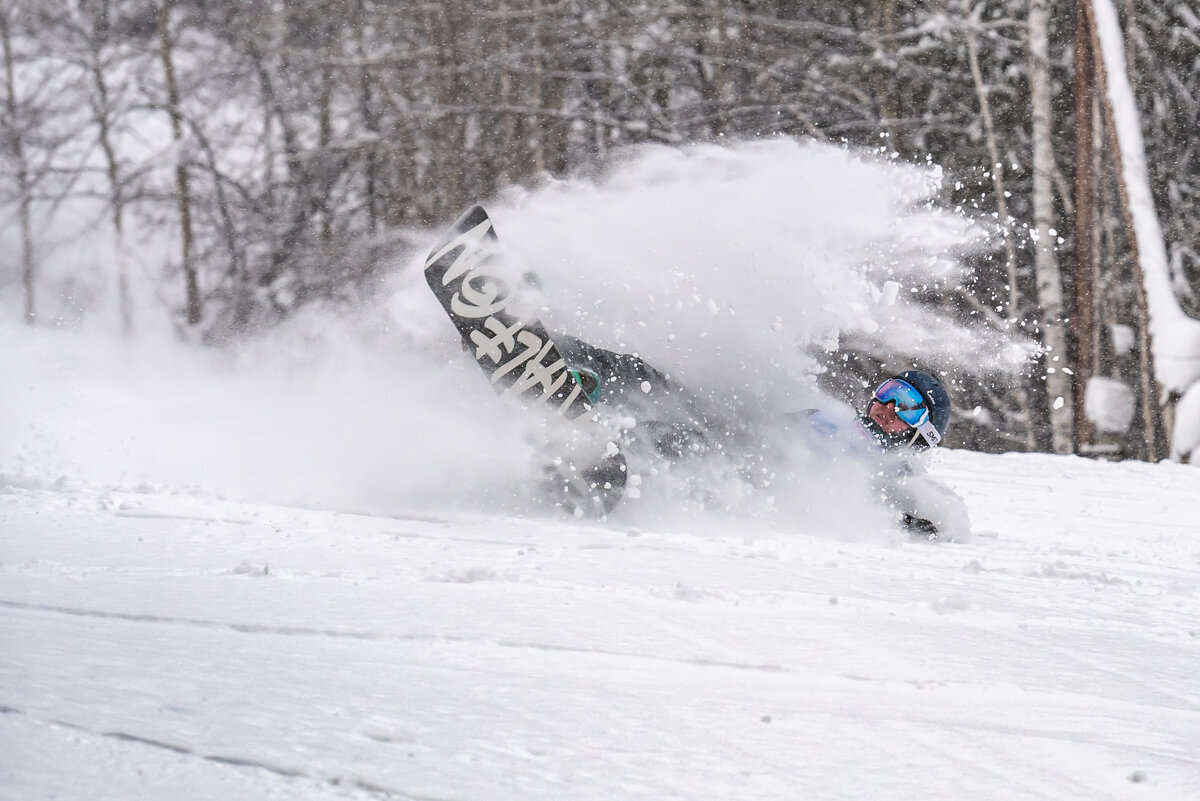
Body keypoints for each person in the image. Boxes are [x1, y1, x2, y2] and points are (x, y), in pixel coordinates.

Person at [555, 334, 968, 540]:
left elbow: (934, 518)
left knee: (675, 441)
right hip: (741, 437)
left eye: (907, 405)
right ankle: (550, 351)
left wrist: (915, 523)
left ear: (922, 433)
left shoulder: (893, 472)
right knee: (649, 381)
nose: (888, 406)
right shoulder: (838, 416)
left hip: (749, 474)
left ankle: (587, 449)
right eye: (889, 391)